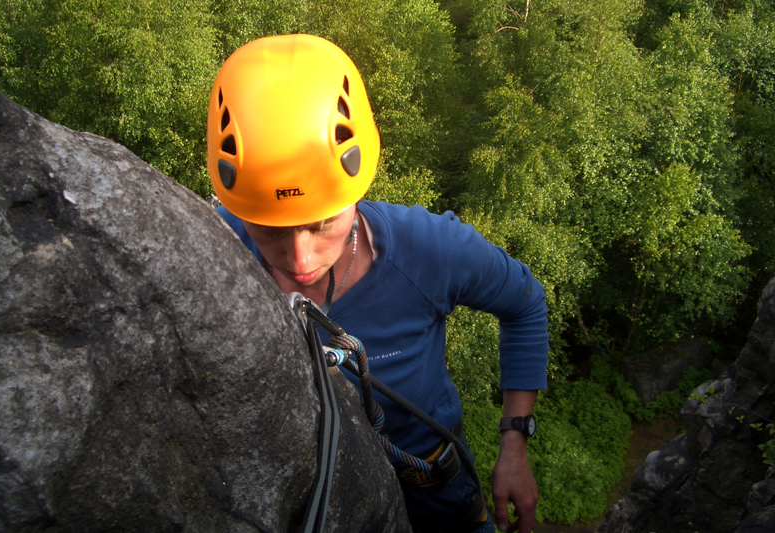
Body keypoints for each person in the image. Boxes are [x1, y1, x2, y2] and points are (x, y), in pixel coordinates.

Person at [207, 34, 549, 533]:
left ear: (357, 186)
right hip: (312, 491)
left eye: (322, 223)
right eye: (271, 230)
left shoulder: (428, 250)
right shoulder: (216, 247)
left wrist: (515, 442)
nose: (300, 259)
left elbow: (525, 303)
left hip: (430, 482)